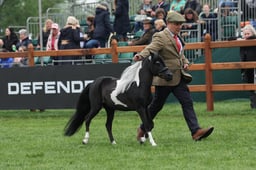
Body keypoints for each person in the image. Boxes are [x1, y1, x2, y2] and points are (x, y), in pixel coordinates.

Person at [133, 11, 214, 142]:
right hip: (165, 77)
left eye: (181, 24)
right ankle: (143, 128)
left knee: (187, 102)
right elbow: (151, 48)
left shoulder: (177, 37)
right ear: (169, 23)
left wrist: (186, 62)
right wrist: (141, 55)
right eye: (177, 24)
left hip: (178, 76)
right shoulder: (161, 36)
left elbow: (180, 54)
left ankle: (196, 131)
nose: (179, 26)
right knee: (156, 106)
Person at [240, 24, 256, 109]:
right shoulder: (242, 42)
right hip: (247, 67)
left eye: (248, 34)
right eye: (245, 34)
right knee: (251, 86)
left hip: (254, 66)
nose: (246, 36)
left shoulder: (254, 39)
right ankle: (253, 105)